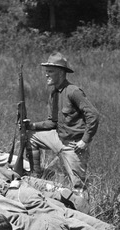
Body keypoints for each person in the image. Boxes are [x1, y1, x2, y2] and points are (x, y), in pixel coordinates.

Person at [25, 53, 99, 214]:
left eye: (50, 71)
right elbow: (52, 122)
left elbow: (93, 114)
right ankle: (37, 176)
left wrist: (85, 140)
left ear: (61, 72)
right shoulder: (54, 93)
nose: (46, 74)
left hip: (74, 144)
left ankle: (84, 216)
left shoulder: (73, 91)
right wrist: (31, 125)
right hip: (58, 138)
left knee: (78, 185)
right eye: (46, 70)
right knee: (30, 137)